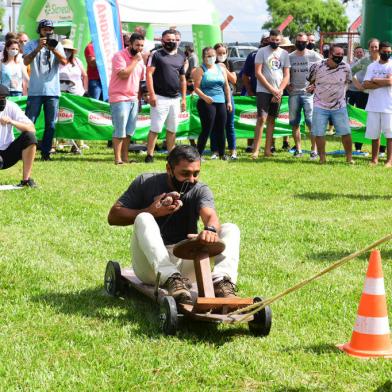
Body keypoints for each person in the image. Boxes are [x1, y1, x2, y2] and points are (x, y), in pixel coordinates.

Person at [107, 145, 240, 303]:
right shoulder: (145, 182)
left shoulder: (200, 190)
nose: (191, 179)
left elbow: (210, 215)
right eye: (185, 173)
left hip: (186, 260)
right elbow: (113, 216)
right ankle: (171, 278)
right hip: (151, 267)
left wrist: (210, 230)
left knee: (230, 228)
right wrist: (151, 211)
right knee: (144, 217)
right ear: (169, 169)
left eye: (195, 173)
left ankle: (221, 282)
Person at [23, 19, 67, 161]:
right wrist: (38, 49)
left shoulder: (57, 44)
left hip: (52, 92)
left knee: (51, 125)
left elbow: (64, 62)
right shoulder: (31, 44)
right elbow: (25, 62)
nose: (48, 31)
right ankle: (25, 150)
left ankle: (46, 153)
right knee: (29, 122)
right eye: (45, 29)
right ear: (40, 30)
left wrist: (52, 49)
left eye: (50, 29)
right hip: (35, 91)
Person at [145, 29, 187, 163]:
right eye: (168, 40)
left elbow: (182, 79)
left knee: (172, 129)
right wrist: (151, 94)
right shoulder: (156, 55)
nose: (171, 42)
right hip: (159, 98)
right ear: (162, 41)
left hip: (175, 98)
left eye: (174, 40)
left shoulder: (181, 56)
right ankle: (150, 155)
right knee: (155, 128)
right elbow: (149, 74)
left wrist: (184, 98)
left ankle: (171, 155)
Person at [308, 44, 353, 164]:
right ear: (329, 54)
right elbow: (310, 82)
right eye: (336, 55)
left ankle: (349, 158)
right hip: (319, 105)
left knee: (346, 132)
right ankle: (322, 158)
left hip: (339, 106)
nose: (339, 57)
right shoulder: (316, 66)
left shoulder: (346, 67)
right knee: (319, 133)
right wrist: (310, 88)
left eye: (341, 55)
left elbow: (348, 82)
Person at [252, 29, 290, 159]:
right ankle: (255, 150)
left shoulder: (284, 53)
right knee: (261, 119)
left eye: (277, 40)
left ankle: (267, 150)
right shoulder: (261, 52)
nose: (275, 42)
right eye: (272, 40)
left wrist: (279, 90)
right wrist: (271, 89)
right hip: (263, 90)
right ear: (269, 39)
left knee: (272, 120)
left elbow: (286, 75)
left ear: (281, 40)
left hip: (278, 92)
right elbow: (258, 73)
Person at [108, 33, 145, 165]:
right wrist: (135, 60)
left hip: (133, 98)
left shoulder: (141, 60)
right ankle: (117, 159)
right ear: (130, 44)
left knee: (129, 131)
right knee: (120, 129)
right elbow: (123, 74)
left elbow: (140, 81)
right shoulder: (119, 56)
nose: (140, 48)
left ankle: (125, 157)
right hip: (119, 97)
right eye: (137, 45)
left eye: (142, 45)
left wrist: (139, 99)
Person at [288, 32, 322, 159]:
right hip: (294, 94)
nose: (300, 44)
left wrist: (316, 85)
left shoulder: (315, 56)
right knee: (295, 123)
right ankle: (298, 149)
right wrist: (286, 85)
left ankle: (314, 150)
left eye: (303, 42)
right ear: (295, 41)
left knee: (311, 123)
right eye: (298, 42)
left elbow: (324, 70)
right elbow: (284, 72)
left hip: (308, 94)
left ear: (308, 42)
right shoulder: (290, 56)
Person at [193, 47, 232, 159]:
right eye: (208, 56)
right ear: (204, 57)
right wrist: (205, 98)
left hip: (221, 101)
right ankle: (198, 154)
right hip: (206, 103)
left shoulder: (221, 68)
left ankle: (222, 154)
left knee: (221, 128)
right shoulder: (200, 70)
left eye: (213, 56)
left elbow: (226, 86)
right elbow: (196, 88)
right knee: (207, 129)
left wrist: (228, 101)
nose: (211, 58)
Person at [0, 85, 37, 187]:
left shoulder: (11, 106)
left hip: (8, 153)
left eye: (4, 98)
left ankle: (26, 180)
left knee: (30, 137)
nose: (2, 100)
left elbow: (31, 128)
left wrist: (12, 122)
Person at [362, 41, 392, 166]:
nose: (387, 54)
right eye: (385, 52)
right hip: (373, 105)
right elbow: (366, 84)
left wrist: (375, 80)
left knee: (390, 135)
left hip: (389, 106)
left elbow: (390, 82)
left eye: (389, 52)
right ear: (379, 51)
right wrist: (383, 81)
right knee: (374, 134)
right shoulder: (372, 66)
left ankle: (389, 160)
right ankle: (374, 159)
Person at [58, 38, 88, 153]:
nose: (66, 51)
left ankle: (78, 144)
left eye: (68, 50)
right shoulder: (56, 62)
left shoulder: (77, 62)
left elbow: (85, 75)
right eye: (64, 49)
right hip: (61, 95)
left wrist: (85, 90)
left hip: (77, 95)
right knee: (61, 119)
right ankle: (60, 142)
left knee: (76, 119)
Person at [351, 38, 381, 153]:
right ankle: (358, 148)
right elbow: (351, 71)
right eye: (372, 47)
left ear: (379, 48)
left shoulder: (385, 61)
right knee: (362, 120)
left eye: (376, 47)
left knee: (380, 122)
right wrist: (358, 85)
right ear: (368, 48)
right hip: (364, 96)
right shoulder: (364, 61)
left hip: (380, 97)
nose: (374, 49)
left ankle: (382, 150)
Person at [241, 34, 269, 152]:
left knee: (270, 119)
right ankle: (250, 144)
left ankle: (270, 145)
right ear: (261, 41)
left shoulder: (278, 53)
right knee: (251, 118)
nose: (268, 43)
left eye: (270, 40)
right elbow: (245, 75)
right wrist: (250, 91)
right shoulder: (253, 55)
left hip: (270, 92)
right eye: (266, 41)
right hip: (254, 92)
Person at [210, 43, 237, 160]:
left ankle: (233, 151)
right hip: (214, 97)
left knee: (229, 125)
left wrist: (224, 68)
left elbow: (234, 80)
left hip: (228, 97)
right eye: (218, 53)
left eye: (223, 53)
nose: (221, 55)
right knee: (215, 125)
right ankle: (215, 151)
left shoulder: (229, 63)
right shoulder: (210, 64)